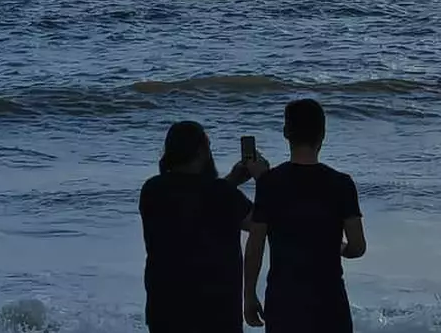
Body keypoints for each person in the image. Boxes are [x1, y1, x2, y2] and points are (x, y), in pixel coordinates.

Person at [244, 99, 366, 332]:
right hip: (329, 300)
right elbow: (358, 246)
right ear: (323, 134)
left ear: (286, 133)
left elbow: (255, 245)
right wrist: (340, 248)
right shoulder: (341, 184)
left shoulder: (269, 183)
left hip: (284, 300)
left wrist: (248, 296)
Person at [139, 120, 269, 333]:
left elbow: (192, 201)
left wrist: (230, 181)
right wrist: (264, 181)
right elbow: (260, 222)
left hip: (165, 307)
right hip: (217, 310)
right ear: (201, 151)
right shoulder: (223, 195)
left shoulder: (152, 190)